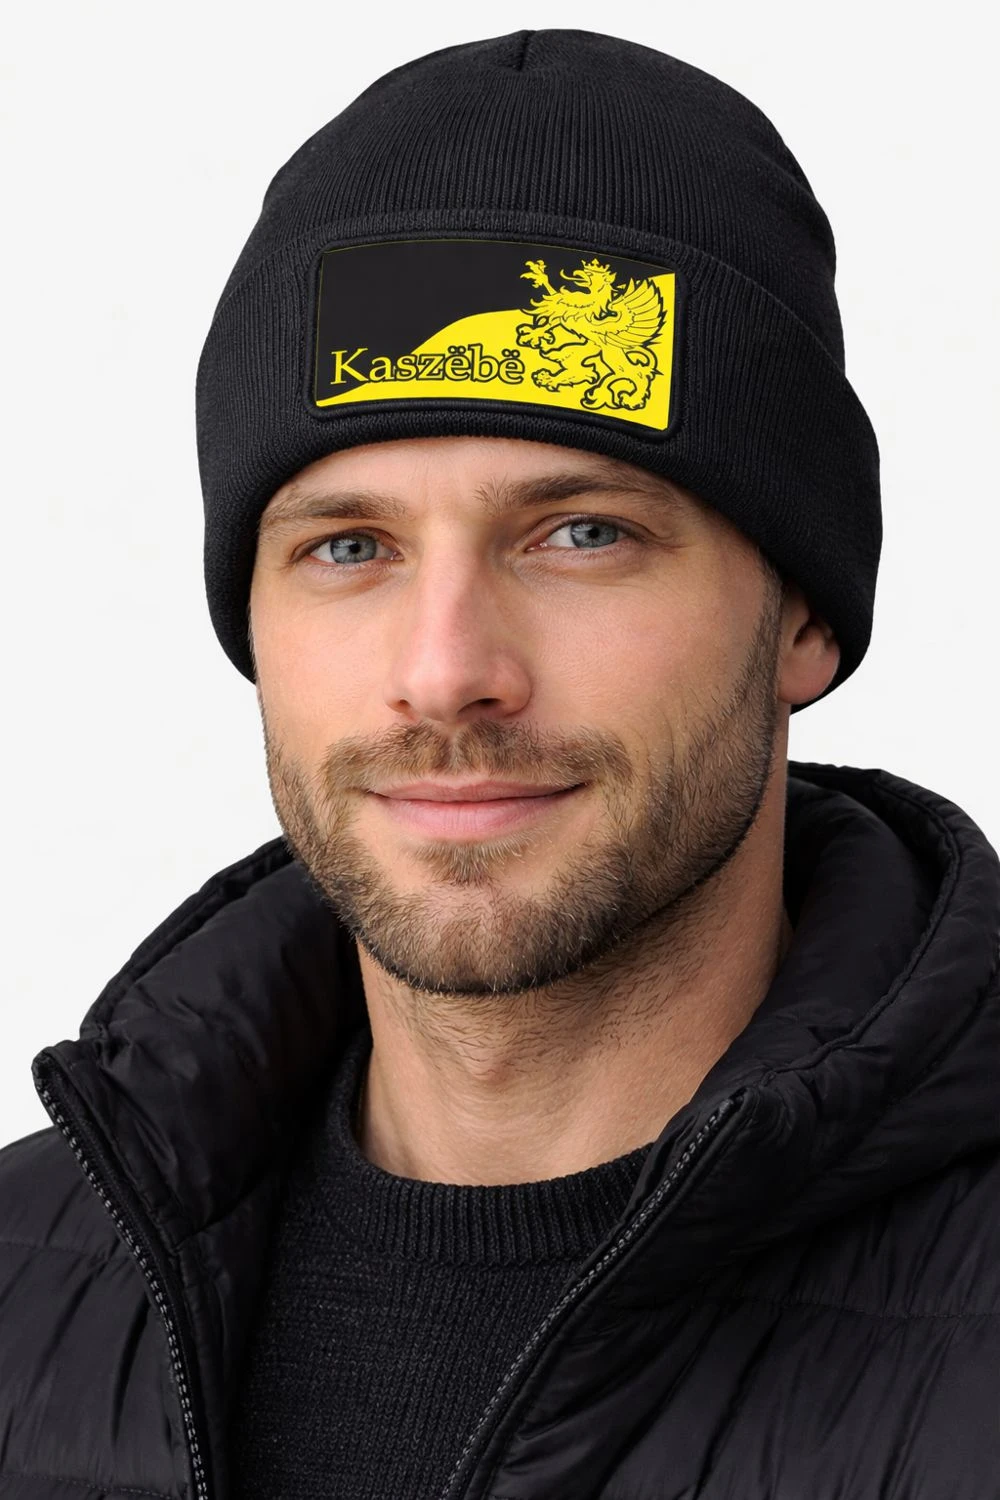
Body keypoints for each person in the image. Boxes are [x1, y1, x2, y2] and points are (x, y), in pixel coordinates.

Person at [1, 27, 997, 1500]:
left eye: (582, 533)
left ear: (802, 614)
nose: (446, 668)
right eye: (350, 547)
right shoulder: (25, 1290)